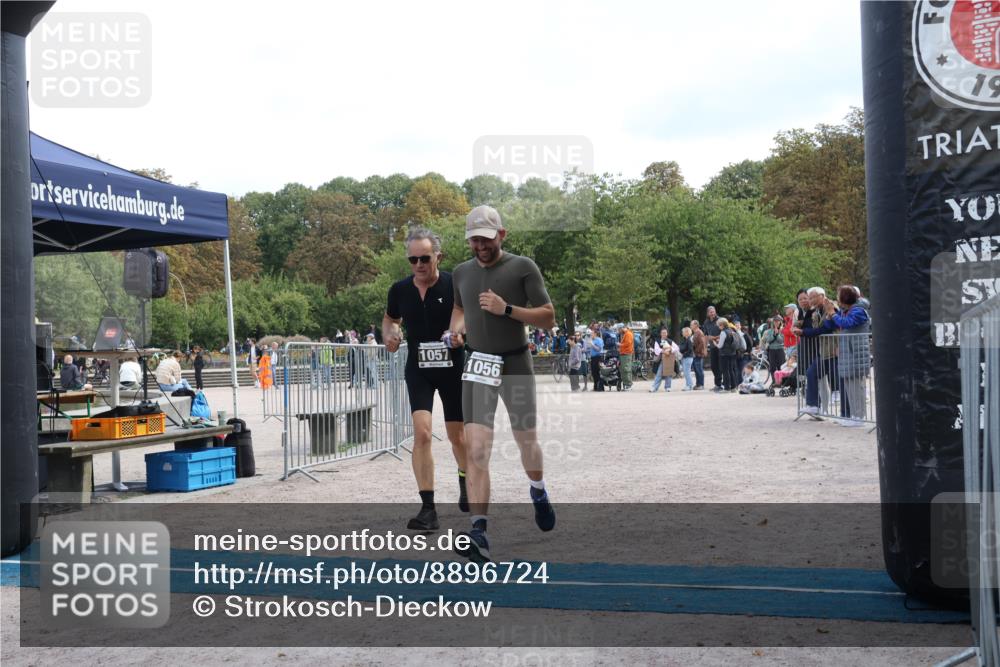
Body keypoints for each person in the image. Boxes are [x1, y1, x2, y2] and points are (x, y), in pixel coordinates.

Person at [446, 205, 557, 563]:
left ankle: (538, 490)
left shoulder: (523, 267)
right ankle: (478, 531)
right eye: (474, 240)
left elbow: (548, 317)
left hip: (515, 363)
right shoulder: (461, 272)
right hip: (478, 365)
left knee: (527, 442)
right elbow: (459, 309)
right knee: (476, 448)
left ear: (502, 235)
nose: (480, 246)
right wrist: (456, 331)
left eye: (486, 239)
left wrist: (506, 309)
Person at [384, 227, 470, 530]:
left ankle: (465, 479)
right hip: (419, 369)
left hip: (452, 368)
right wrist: (391, 334)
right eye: (413, 259)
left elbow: (466, 316)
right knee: (421, 434)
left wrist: (459, 334)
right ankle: (428, 509)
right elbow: (391, 318)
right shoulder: (399, 290)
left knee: (458, 437)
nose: (418, 265)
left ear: (438, 257)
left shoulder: (454, 284)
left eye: (424, 258)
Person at [821, 286, 871, 427]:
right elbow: (830, 325)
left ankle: (859, 417)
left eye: (839, 295)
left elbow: (847, 323)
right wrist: (829, 313)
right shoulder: (846, 311)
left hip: (856, 352)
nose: (837, 298)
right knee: (849, 385)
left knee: (857, 386)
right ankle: (854, 415)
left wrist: (833, 313)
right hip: (848, 352)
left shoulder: (859, 310)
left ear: (845, 297)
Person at [759, 317, 786, 382]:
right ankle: (774, 381)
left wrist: (778, 334)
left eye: (778, 321)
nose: (776, 323)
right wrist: (774, 334)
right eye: (775, 321)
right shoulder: (768, 331)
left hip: (780, 350)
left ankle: (781, 381)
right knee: (772, 367)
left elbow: (781, 341)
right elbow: (768, 340)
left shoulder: (782, 330)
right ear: (773, 322)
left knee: (781, 366)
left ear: (780, 322)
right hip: (771, 350)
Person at [715, 318, 739, 392]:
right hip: (732, 353)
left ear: (722, 325)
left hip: (724, 354)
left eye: (719, 325)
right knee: (731, 370)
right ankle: (733, 387)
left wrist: (715, 343)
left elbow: (720, 346)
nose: (718, 327)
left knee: (725, 371)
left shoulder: (723, 332)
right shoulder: (731, 330)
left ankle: (727, 388)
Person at [702, 306, 722, 391]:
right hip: (713, 347)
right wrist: (705, 348)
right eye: (710, 312)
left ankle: (721, 384)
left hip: (721, 346)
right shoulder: (706, 322)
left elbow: (725, 333)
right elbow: (705, 336)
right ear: (708, 313)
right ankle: (718, 384)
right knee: (713, 366)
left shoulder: (720, 320)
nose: (712, 313)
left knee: (721, 366)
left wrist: (713, 337)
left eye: (713, 311)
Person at [588, 324, 605, 391]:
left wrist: (592, 344)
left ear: (595, 334)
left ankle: (599, 386)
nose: (591, 335)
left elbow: (598, 349)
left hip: (598, 357)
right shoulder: (592, 340)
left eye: (592, 334)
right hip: (593, 358)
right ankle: (595, 386)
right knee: (593, 372)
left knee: (597, 372)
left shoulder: (599, 340)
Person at [690, 320, 707, 390]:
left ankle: (701, 384)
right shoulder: (695, 333)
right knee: (696, 370)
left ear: (696, 325)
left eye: (691, 325)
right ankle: (698, 384)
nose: (690, 326)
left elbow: (702, 343)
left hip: (698, 354)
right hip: (696, 354)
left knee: (699, 370)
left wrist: (696, 351)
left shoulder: (699, 332)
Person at [678, 326, 695, 391]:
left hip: (688, 357)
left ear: (687, 332)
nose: (682, 333)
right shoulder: (685, 339)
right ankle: (689, 385)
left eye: (683, 332)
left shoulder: (689, 340)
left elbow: (690, 350)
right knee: (686, 372)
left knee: (687, 372)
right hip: (686, 357)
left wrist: (683, 355)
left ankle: (689, 385)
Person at [618, 324, 635, 390]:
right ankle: (626, 384)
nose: (619, 331)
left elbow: (628, 343)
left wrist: (620, 345)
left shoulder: (628, 334)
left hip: (626, 354)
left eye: (619, 329)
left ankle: (628, 385)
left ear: (622, 328)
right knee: (624, 369)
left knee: (626, 369)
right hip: (624, 353)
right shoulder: (626, 334)